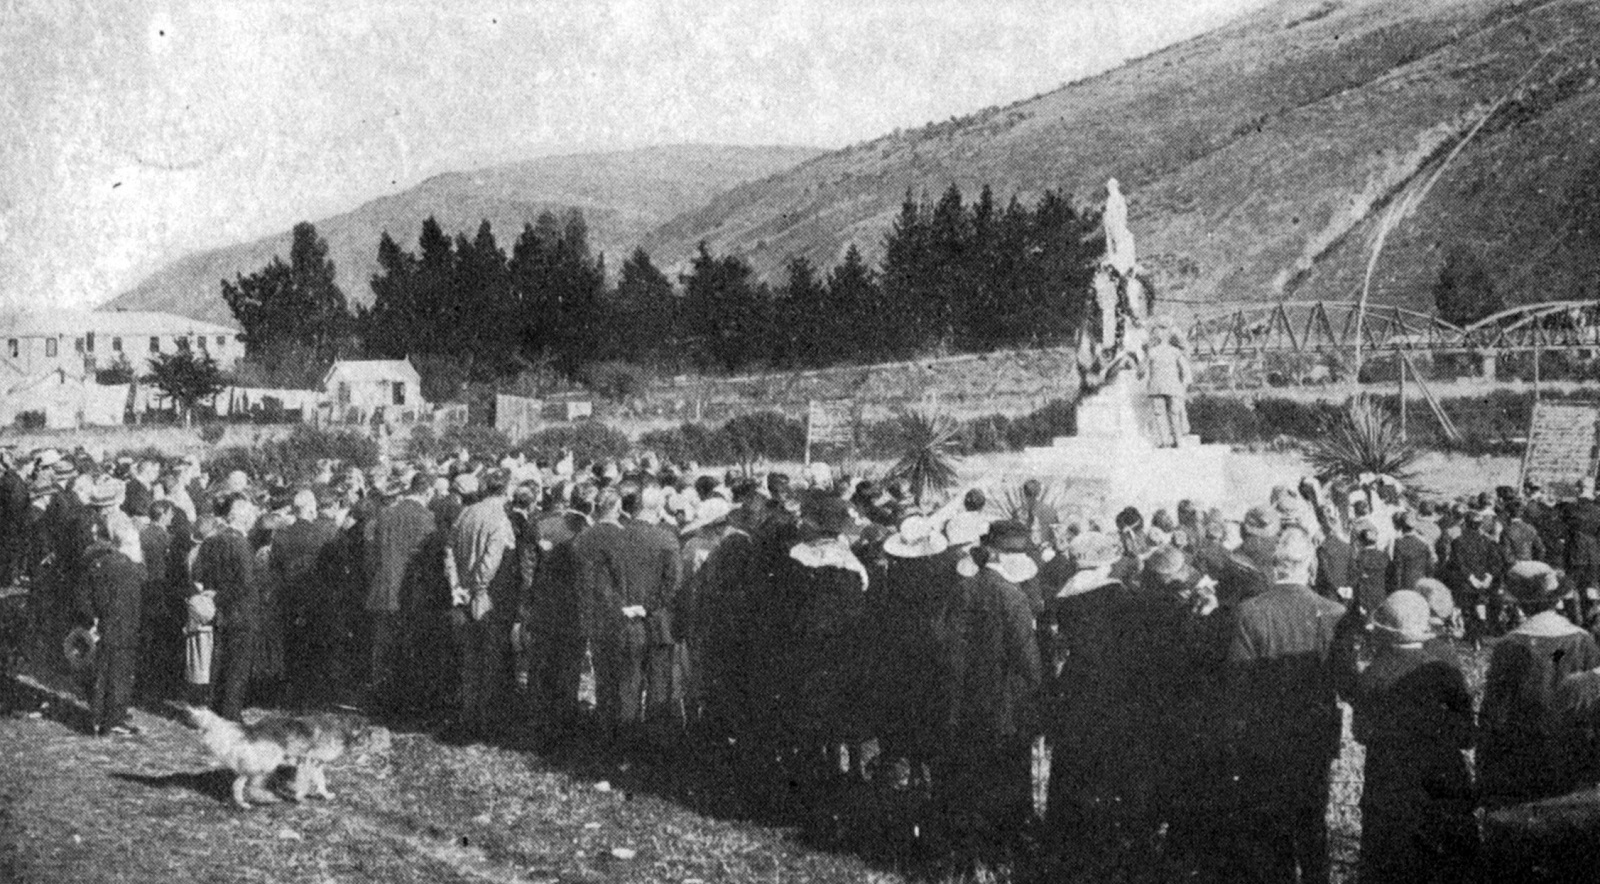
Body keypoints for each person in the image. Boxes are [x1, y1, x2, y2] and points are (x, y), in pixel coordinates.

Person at [1225, 527, 1357, 884]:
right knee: (1312, 822)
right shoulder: (1333, 613)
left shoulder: (1248, 613)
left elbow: (1238, 685)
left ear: (1274, 566)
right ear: (1309, 565)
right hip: (1314, 735)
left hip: (1263, 735)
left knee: (1268, 831)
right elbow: (1348, 686)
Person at [1353, 590, 1477, 883]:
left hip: (1389, 784)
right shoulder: (1444, 670)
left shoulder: (1372, 674)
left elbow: (1361, 732)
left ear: (1382, 632)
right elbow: (1467, 733)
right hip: (1441, 781)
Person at [939, 520, 1042, 867]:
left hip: (965, 697)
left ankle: (967, 848)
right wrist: (1037, 693)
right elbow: (1028, 660)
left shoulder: (964, 588)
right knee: (1005, 775)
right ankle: (1000, 850)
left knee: (970, 772)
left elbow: (948, 642)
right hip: (1004, 702)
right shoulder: (1013, 597)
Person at [1477, 560, 1600, 805]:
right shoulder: (1581, 640)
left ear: (1520, 603)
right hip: (1573, 753)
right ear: (1558, 600)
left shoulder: (1510, 646)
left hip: (1525, 754)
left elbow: (1495, 711)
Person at [445, 468, 518, 737]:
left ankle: (468, 713)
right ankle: (484, 720)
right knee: (489, 659)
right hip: (484, 597)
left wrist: (456, 585)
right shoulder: (499, 518)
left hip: (464, 594)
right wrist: (479, 587)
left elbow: (450, 551)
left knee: (469, 659)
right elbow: (491, 559)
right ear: (507, 490)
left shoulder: (466, 512)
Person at [365, 473, 437, 709]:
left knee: (382, 646)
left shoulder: (385, 515)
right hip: (409, 591)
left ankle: (379, 694)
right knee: (407, 646)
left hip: (383, 588)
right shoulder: (426, 518)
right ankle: (404, 698)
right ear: (427, 492)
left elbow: (373, 555)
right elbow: (428, 560)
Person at [79, 488, 147, 736]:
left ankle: (99, 717)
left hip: (106, 622)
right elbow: (139, 580)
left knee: (104, 670)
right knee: (119, 672)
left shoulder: (96, 560)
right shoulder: (124, 566)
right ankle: (113, 720)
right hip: (123, 624)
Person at [192, 492, 262, 720]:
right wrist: (222, 594)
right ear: (242, 518)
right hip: (241, 610)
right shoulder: (241, 544)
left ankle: (215, 706)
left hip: (218, 611)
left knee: (220, 659)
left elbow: (198, 573)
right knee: (238, 664)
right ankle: (231, 713)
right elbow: (246, 583)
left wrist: (212, 594)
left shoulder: (212, 541)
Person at [1144, 330, 1190, 448]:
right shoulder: (1176, 352)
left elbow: (1140, 372)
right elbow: (1186, 371)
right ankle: (1177, 440)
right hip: (1173, 387)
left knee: (1160, 414)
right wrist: (1183, 386)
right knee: (1174, 414)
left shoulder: (1151, 352)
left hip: (1156, 387)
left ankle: (1164, 441)